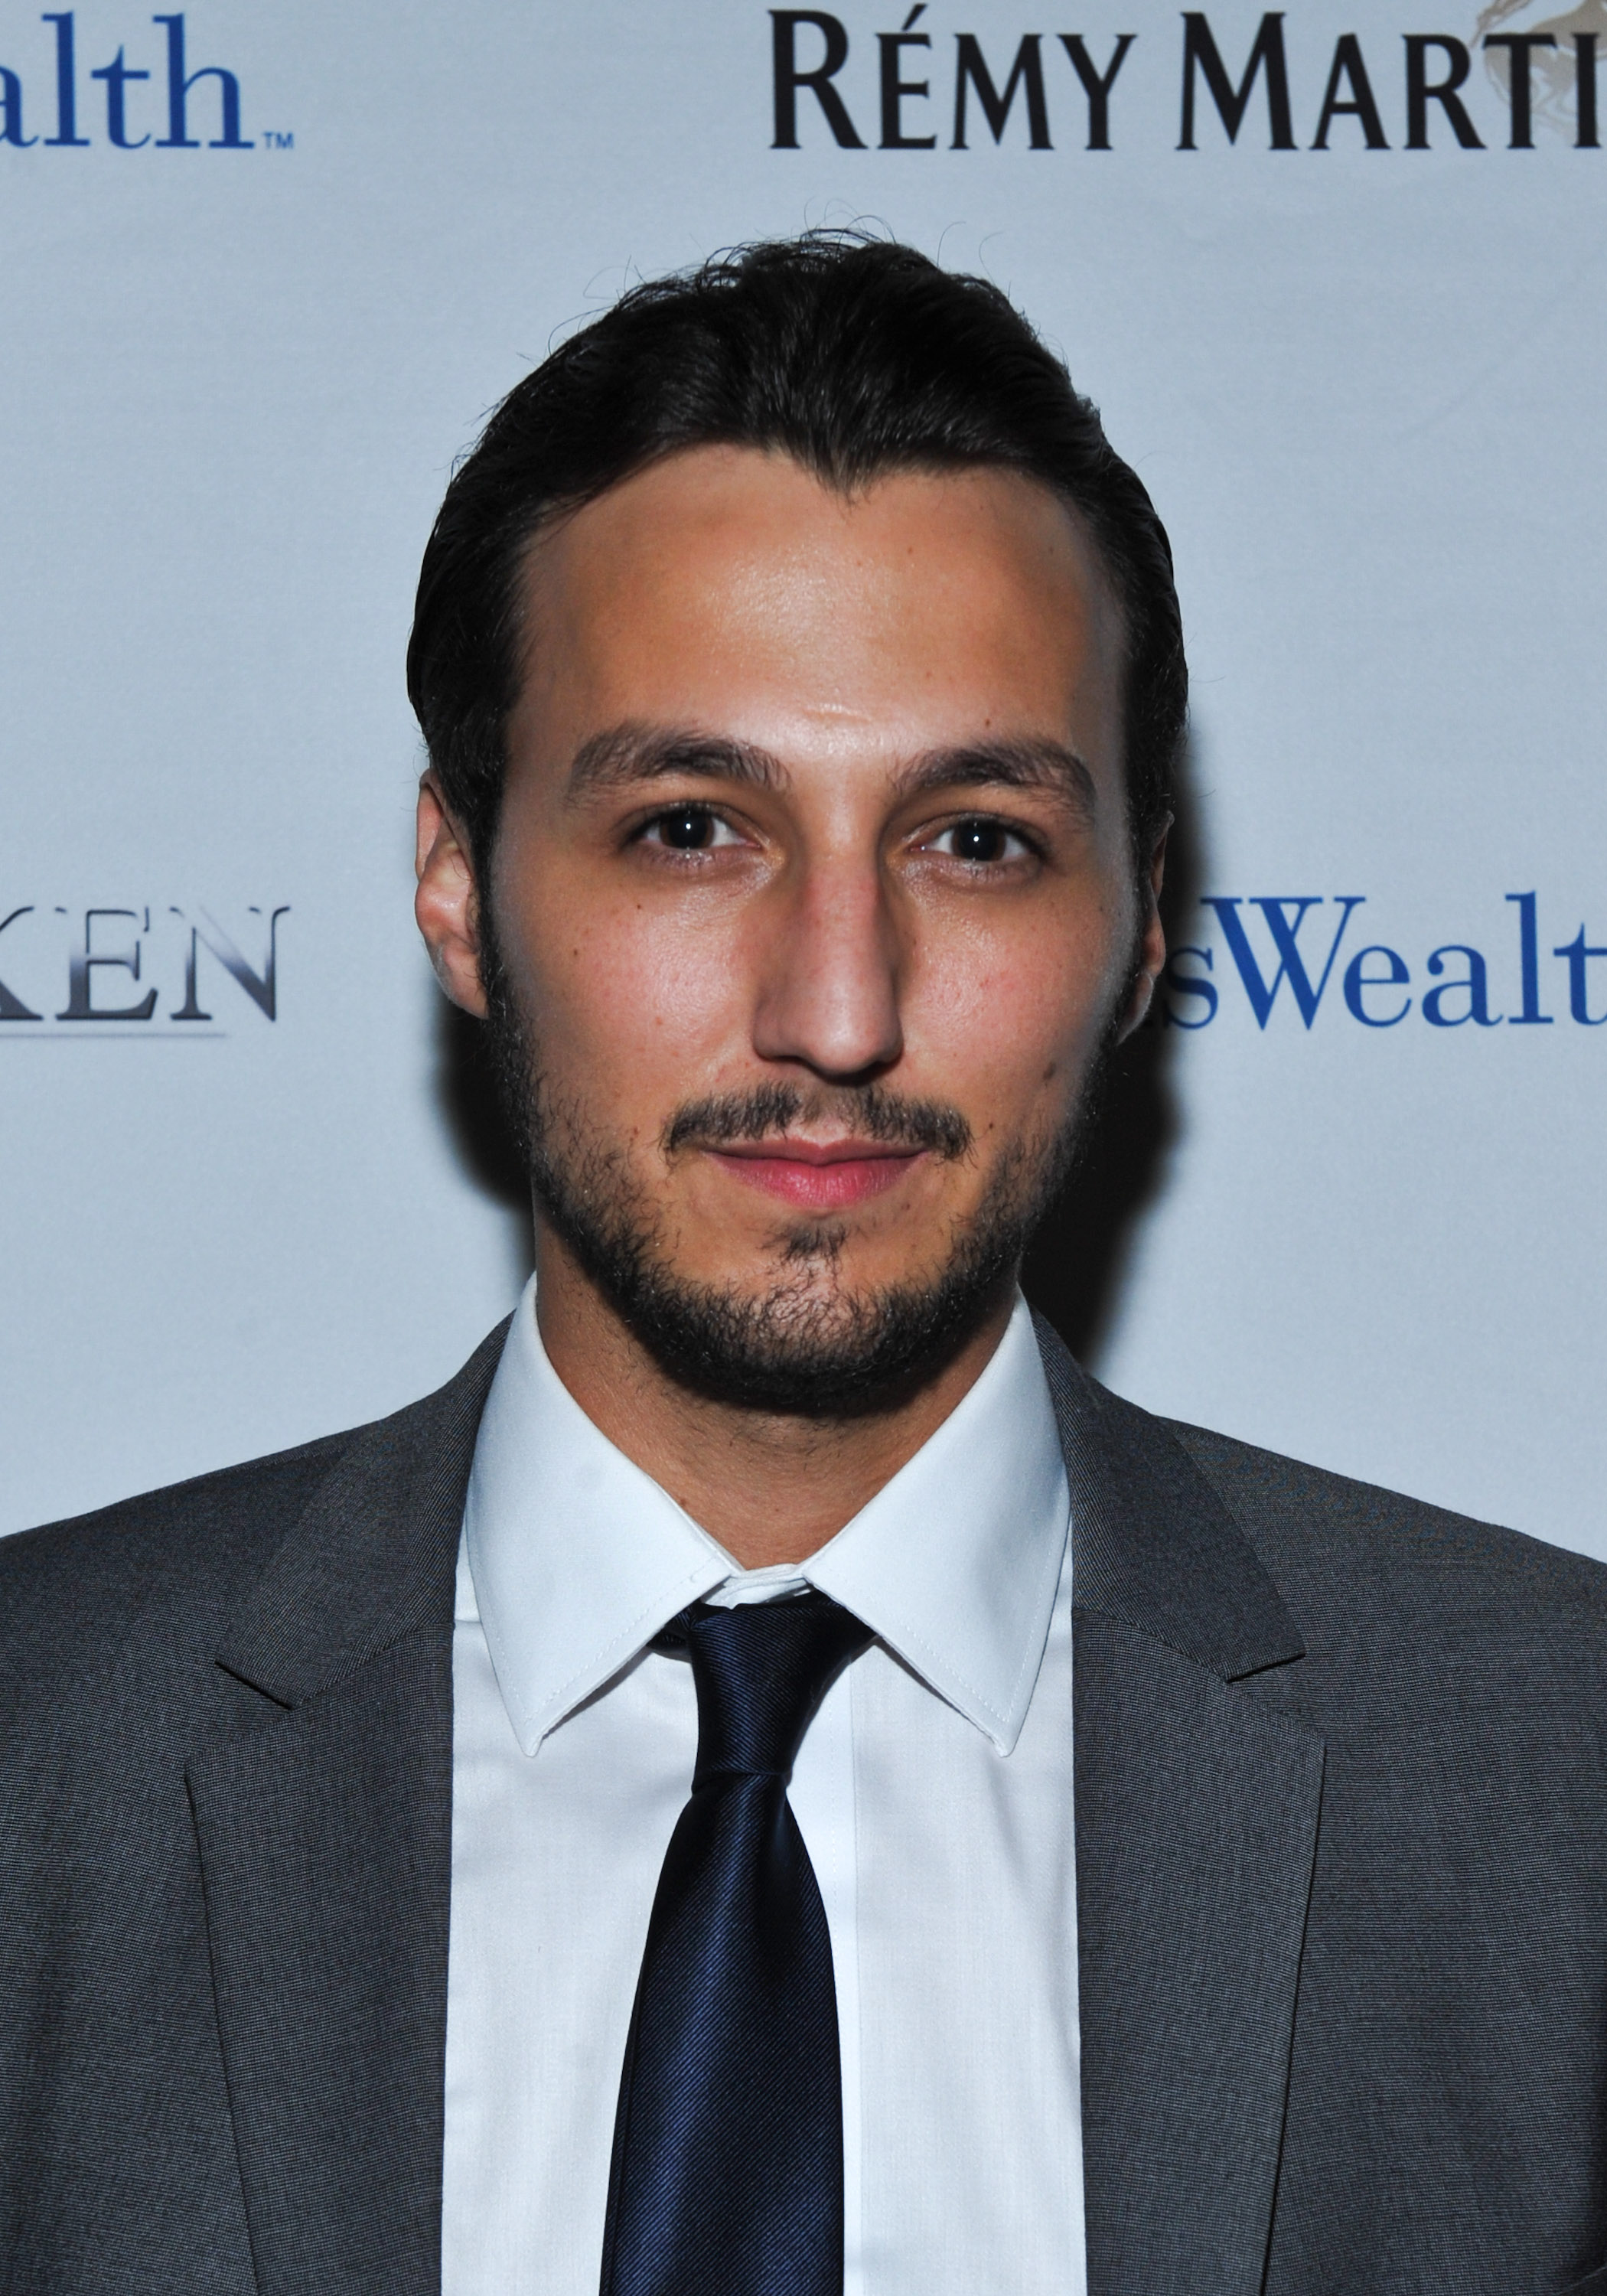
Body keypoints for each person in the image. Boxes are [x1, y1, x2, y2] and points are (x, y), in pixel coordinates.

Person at [2, 233, 1605, 2296]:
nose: (835, 1006)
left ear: (1140, 929)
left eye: (974, 838)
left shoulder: (1555, 1784)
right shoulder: (42, 1765)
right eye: (688, 825)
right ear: (456, 894)